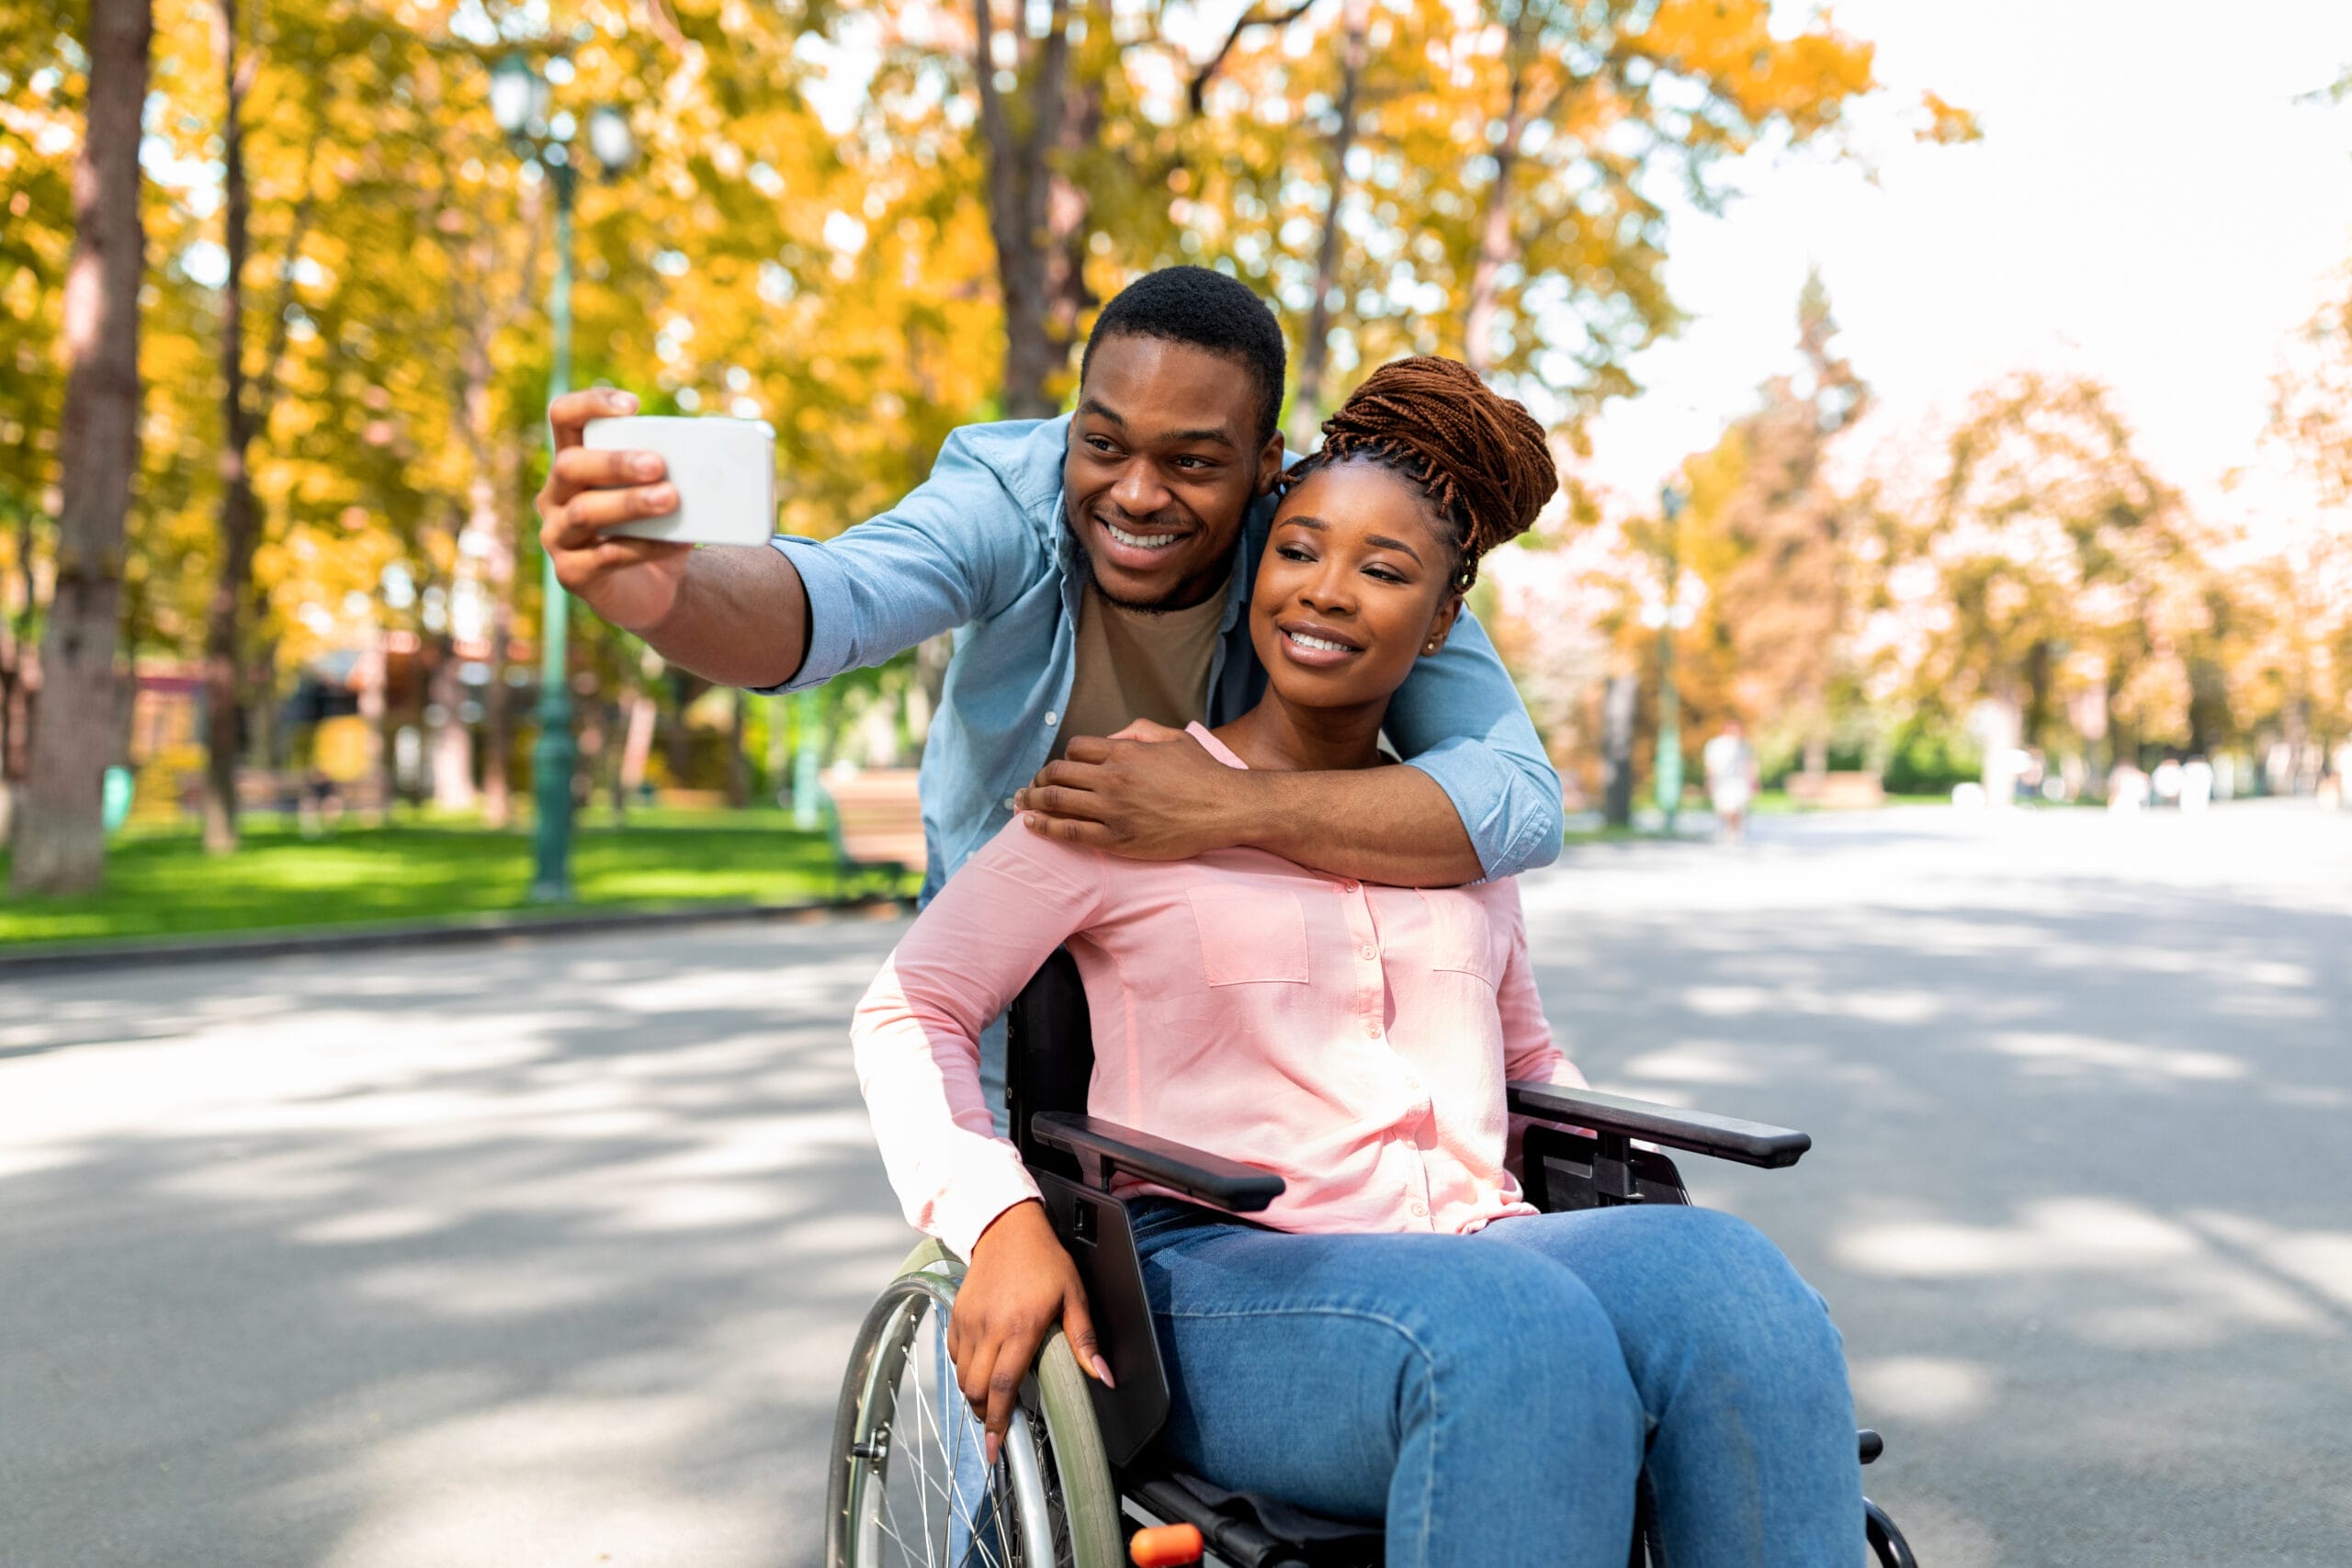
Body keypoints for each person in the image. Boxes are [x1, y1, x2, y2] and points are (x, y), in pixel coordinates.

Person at [854, 359, 1864, 1568]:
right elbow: (910, 1006)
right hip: (1214, 1279)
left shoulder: (1451, 830)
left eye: (1384, 570)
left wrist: (1616, 1184)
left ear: (1441, 621)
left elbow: (1528, 1058)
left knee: (1732, 1284)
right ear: (1255, 570)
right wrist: (998, 1212)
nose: (1327, 592)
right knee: (1513, 1330)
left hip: (1479, 1247)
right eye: (1298, 551)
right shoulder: (1127, 788)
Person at [536, 267, 1563, 1106]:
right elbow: (834, 599)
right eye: (1103, 444)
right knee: (998, 1268)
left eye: (1192, 463)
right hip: (1011, 958)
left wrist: (1225, 807)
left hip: (1205, 989)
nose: (1135, 494)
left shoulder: (1322, 553)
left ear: (1266, 465)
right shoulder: (1008, 497)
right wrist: (661, 595)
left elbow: (1516, 799)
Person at [1702, 719, 1758, 842]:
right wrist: (1709, 781)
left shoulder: (1743, 745)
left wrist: (1753, 781)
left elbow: (1748, 764)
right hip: (1722, 782)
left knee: (1737, 807)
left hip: (1739, 782)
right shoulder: (1715, 744)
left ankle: (1735, 832)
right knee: (1724, 808)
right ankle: (1728, 829)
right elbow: (1710, 765)